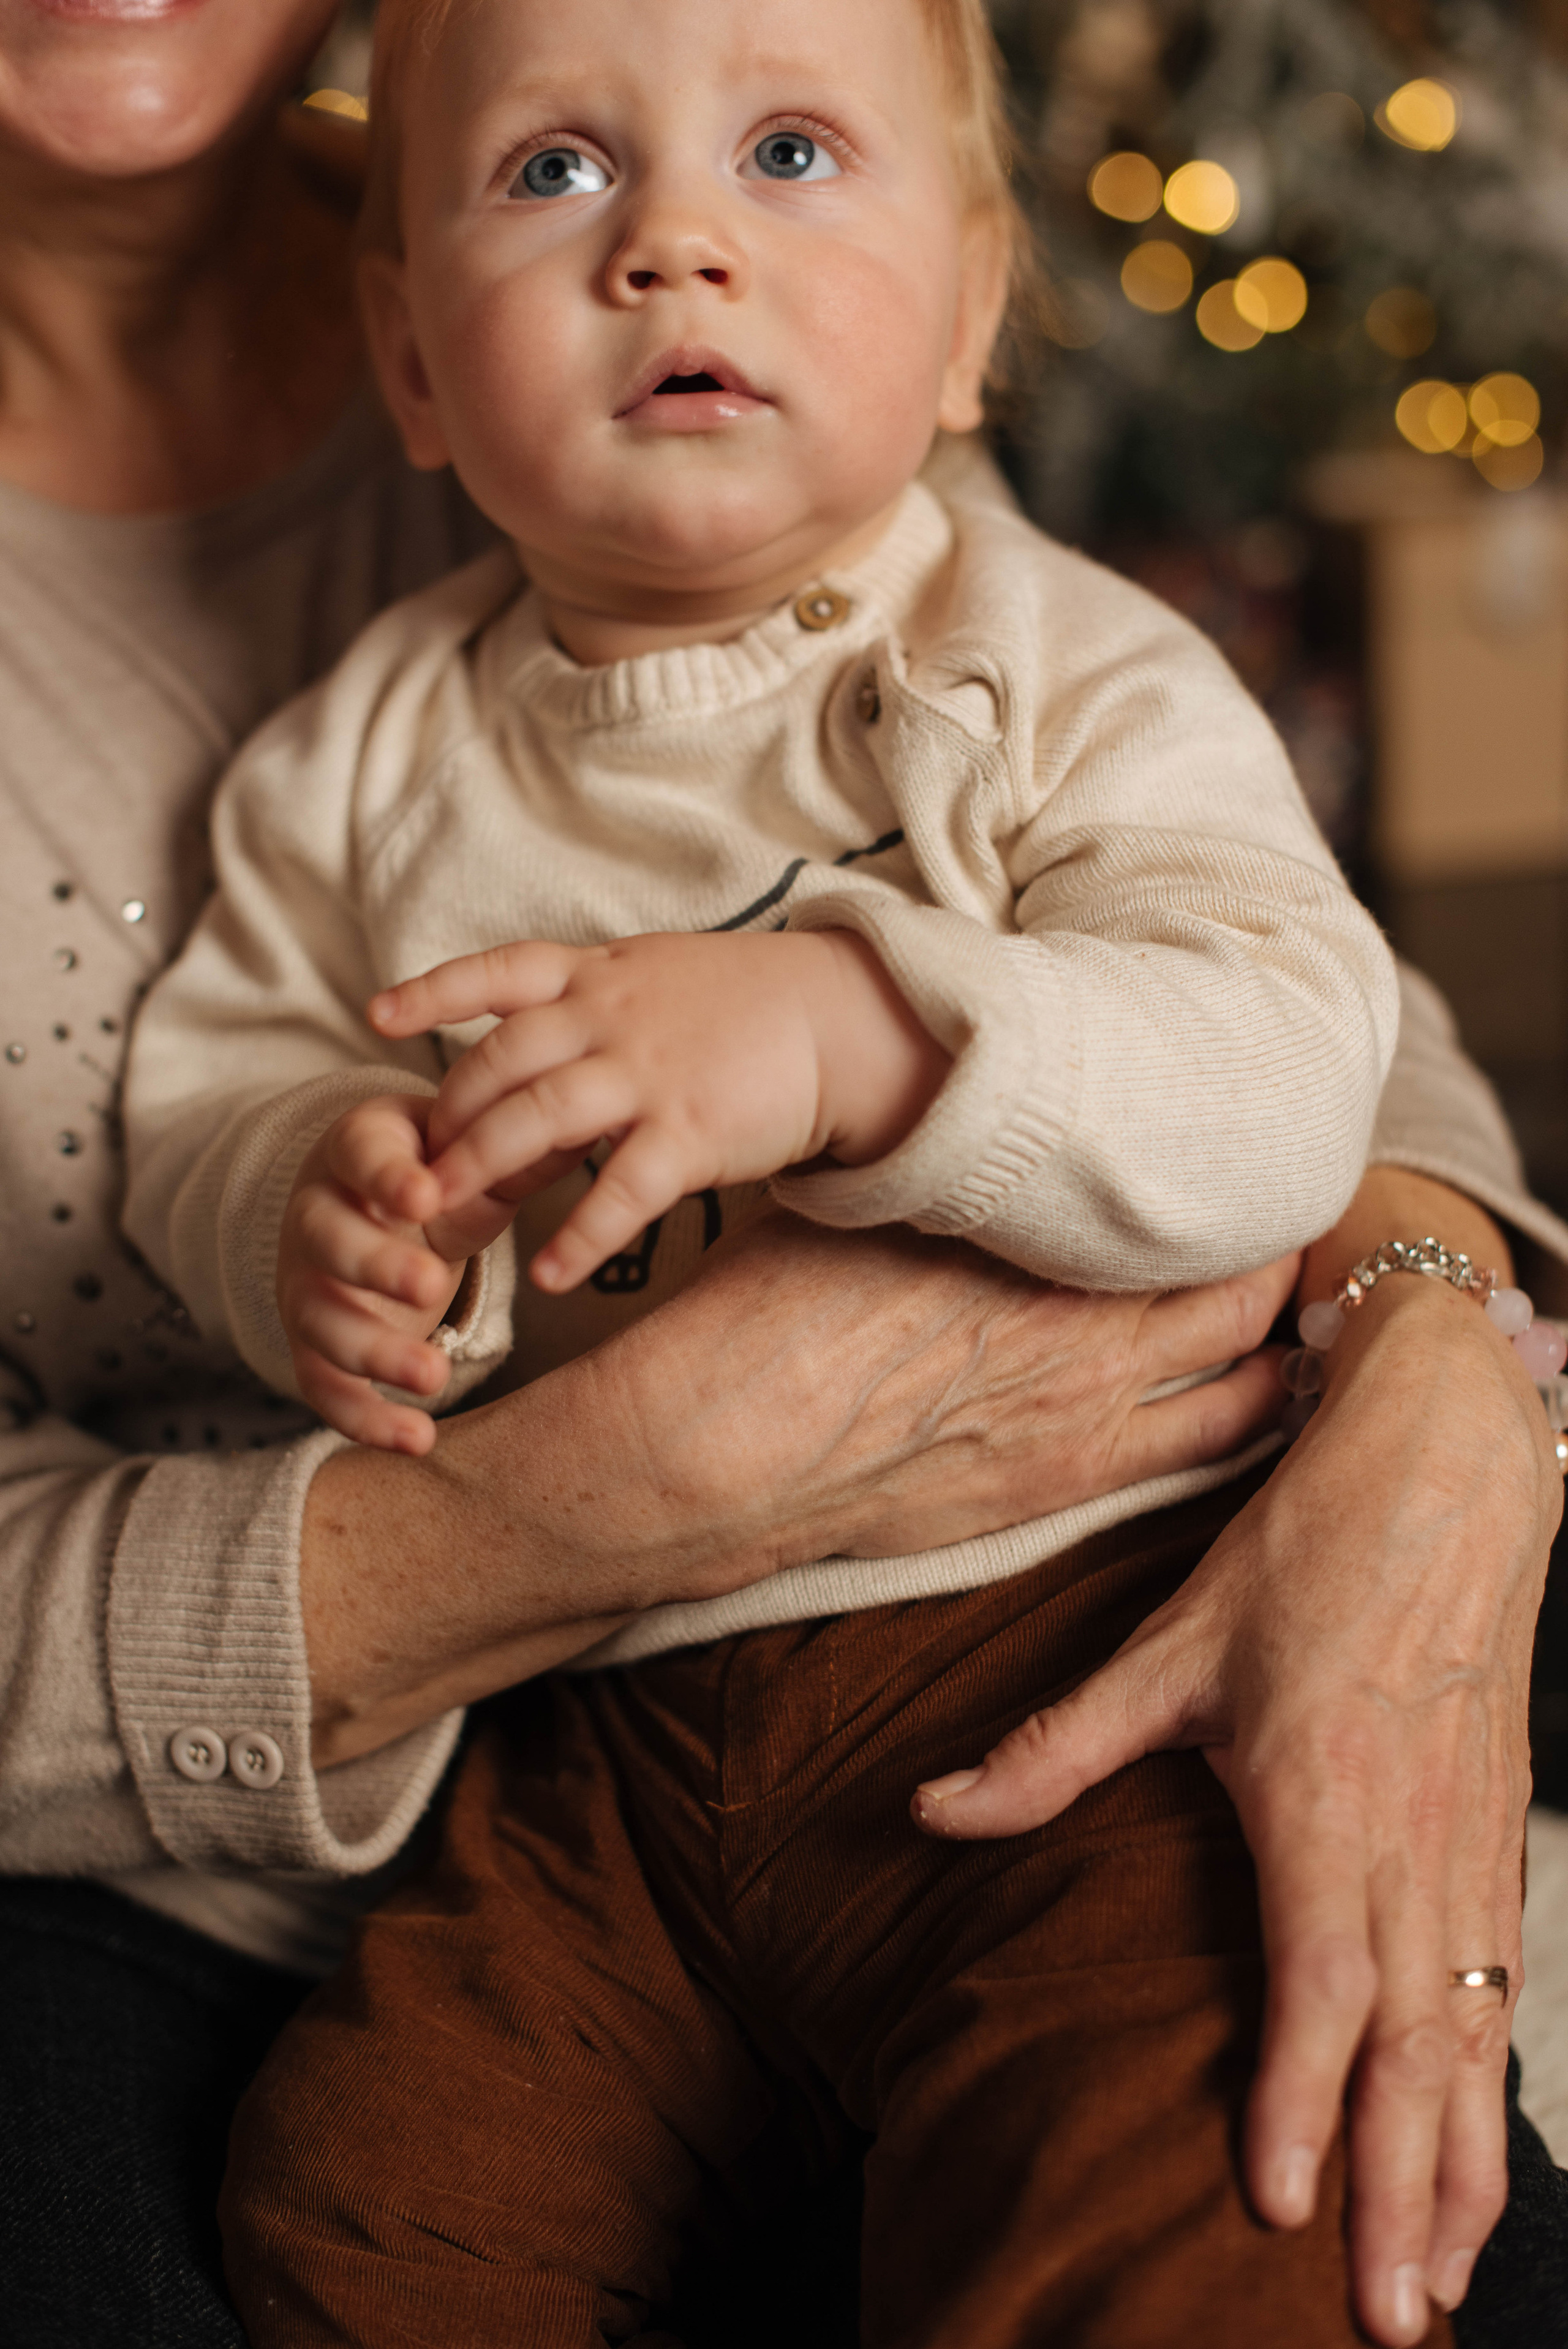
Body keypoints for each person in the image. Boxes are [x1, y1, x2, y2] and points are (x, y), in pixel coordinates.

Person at [0, 4, 1559, 2347]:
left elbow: (1300, 1037)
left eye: (798, 154)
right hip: (566, 1749)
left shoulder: (1020, 662)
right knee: (367, 2213)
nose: (679, 248)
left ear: (964, 330)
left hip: (1054, 1637)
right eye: (555, 182)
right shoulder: (361, 764)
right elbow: (228, 1088)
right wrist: (304, 1212)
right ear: (417, 377)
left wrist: (876, 1029)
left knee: (1222, 2197)